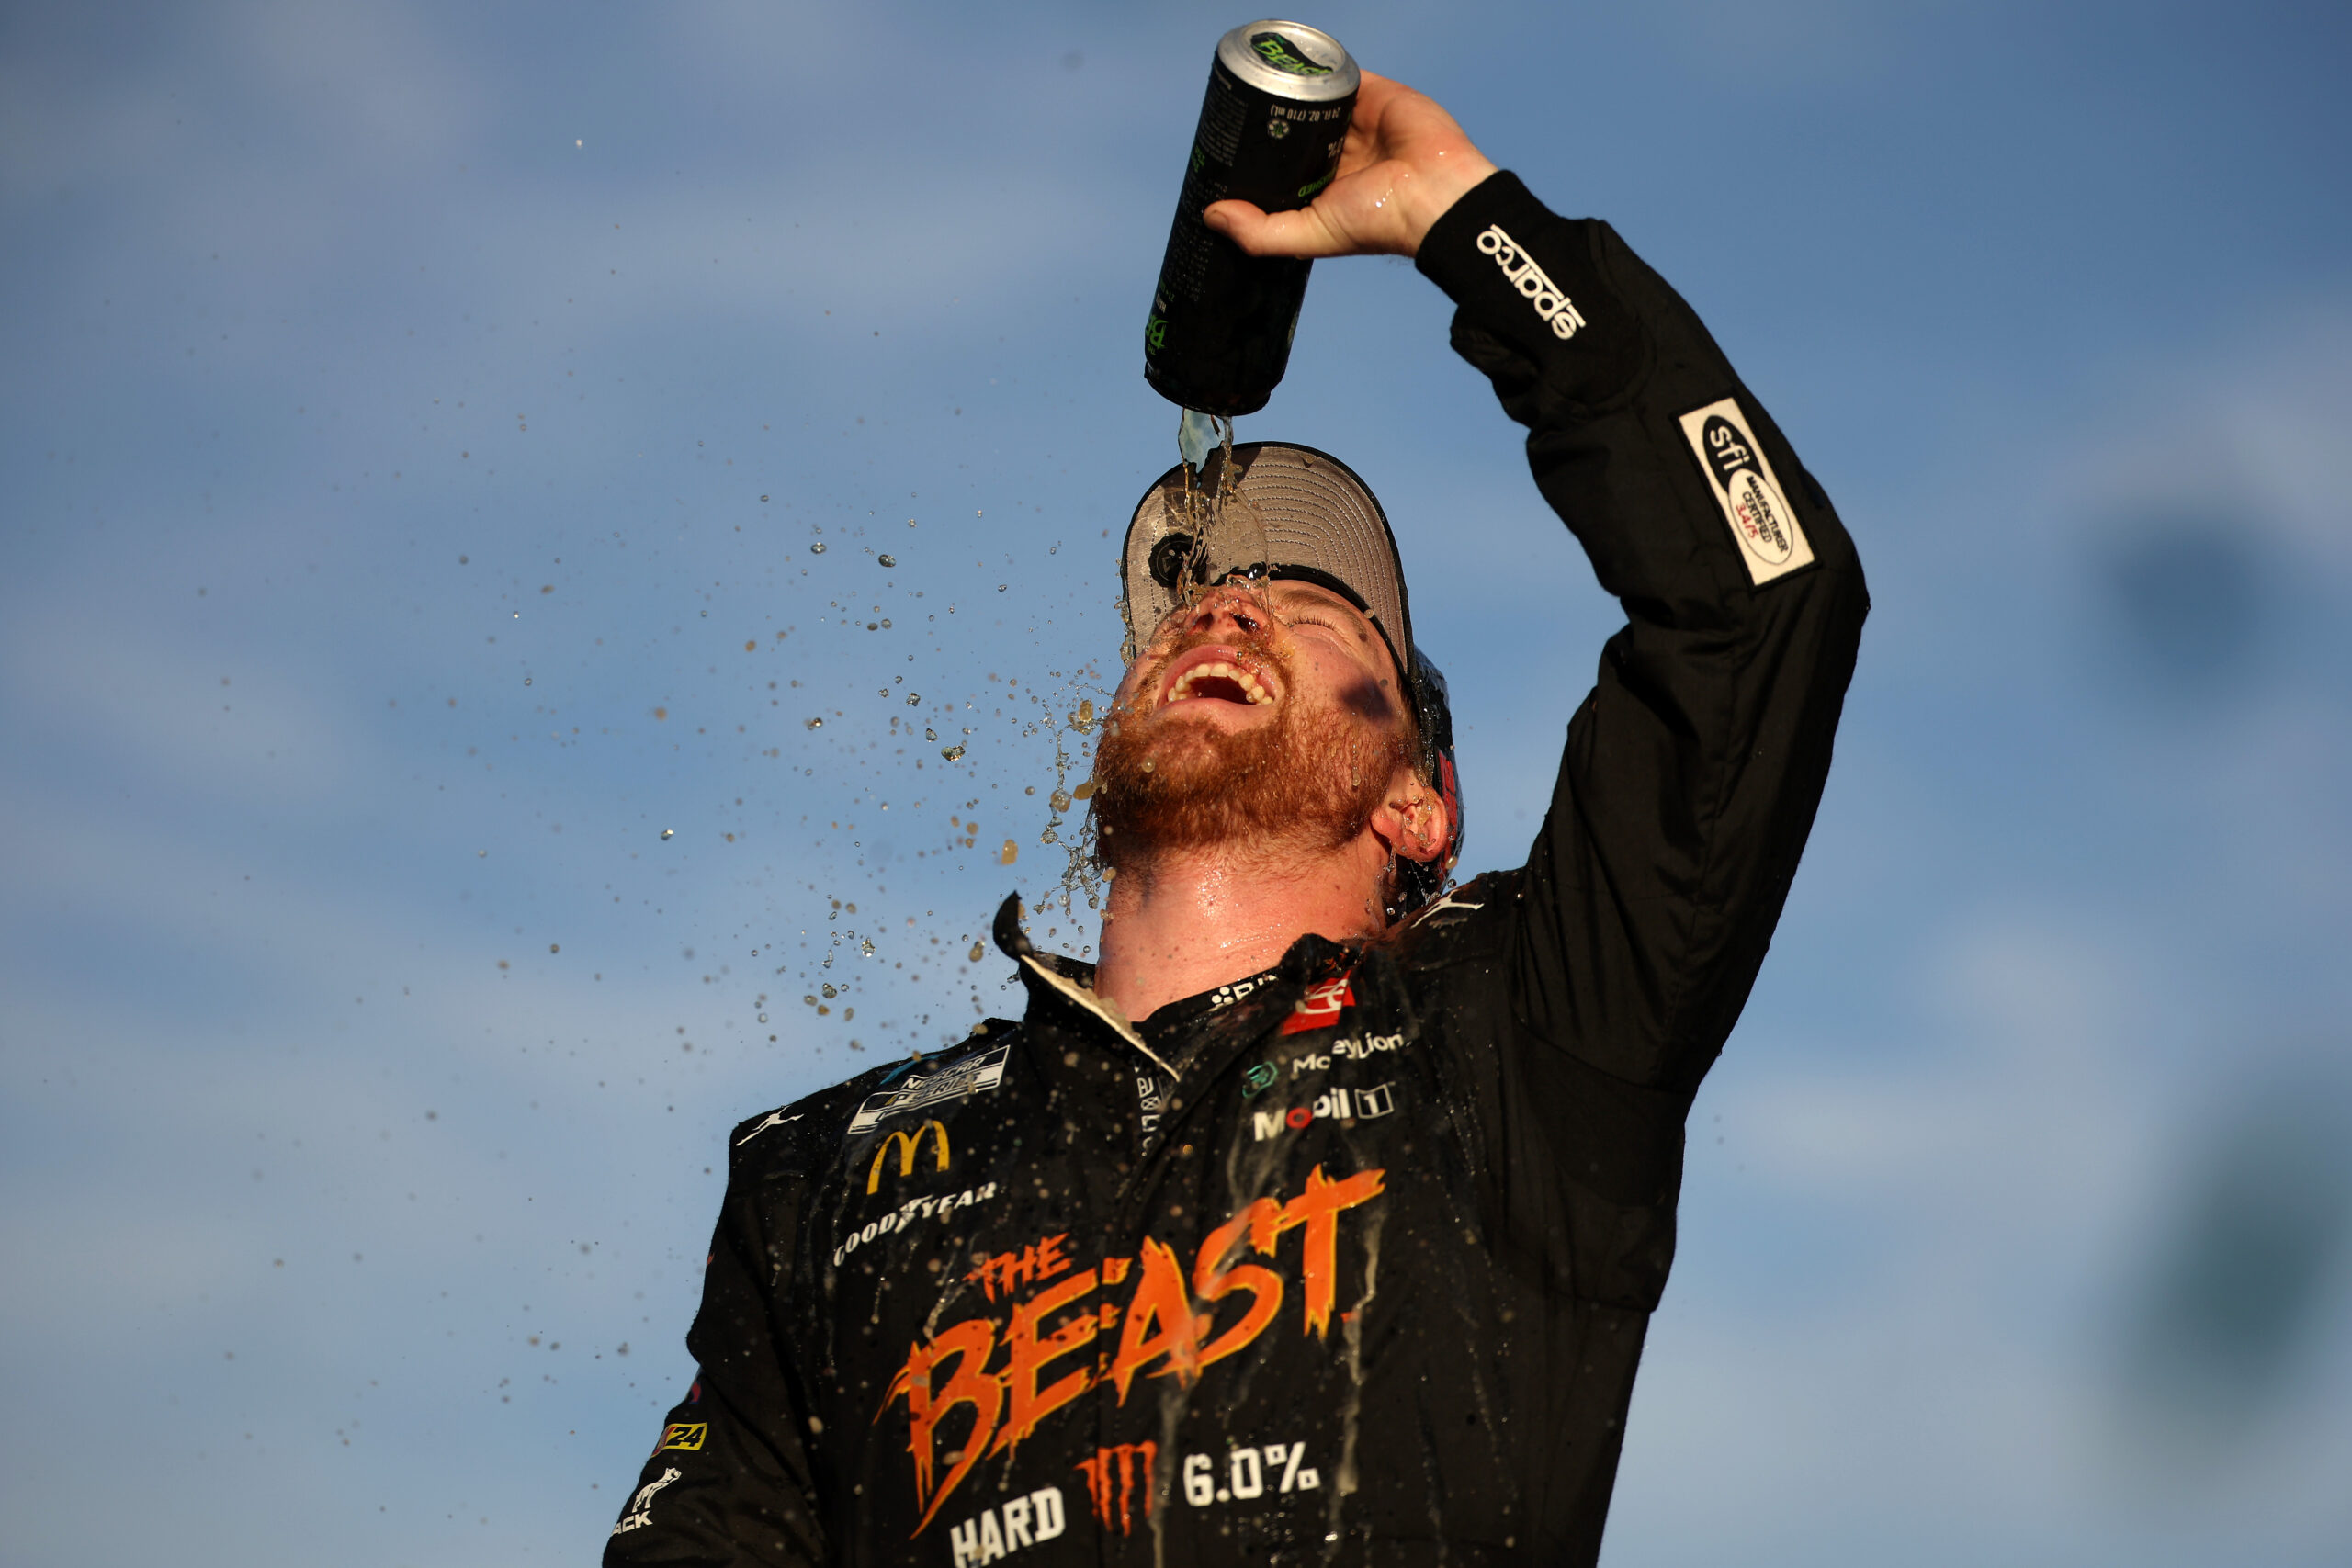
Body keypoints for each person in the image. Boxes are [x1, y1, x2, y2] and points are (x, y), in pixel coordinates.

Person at [605, 72, 1866, 1568]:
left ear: (1420, 798)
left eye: (1316, 600)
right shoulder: (826, 1174)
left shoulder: (1523, 1036)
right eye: (1198, 592)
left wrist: (1474, 228)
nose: (1230, 600)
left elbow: (1761, 594)